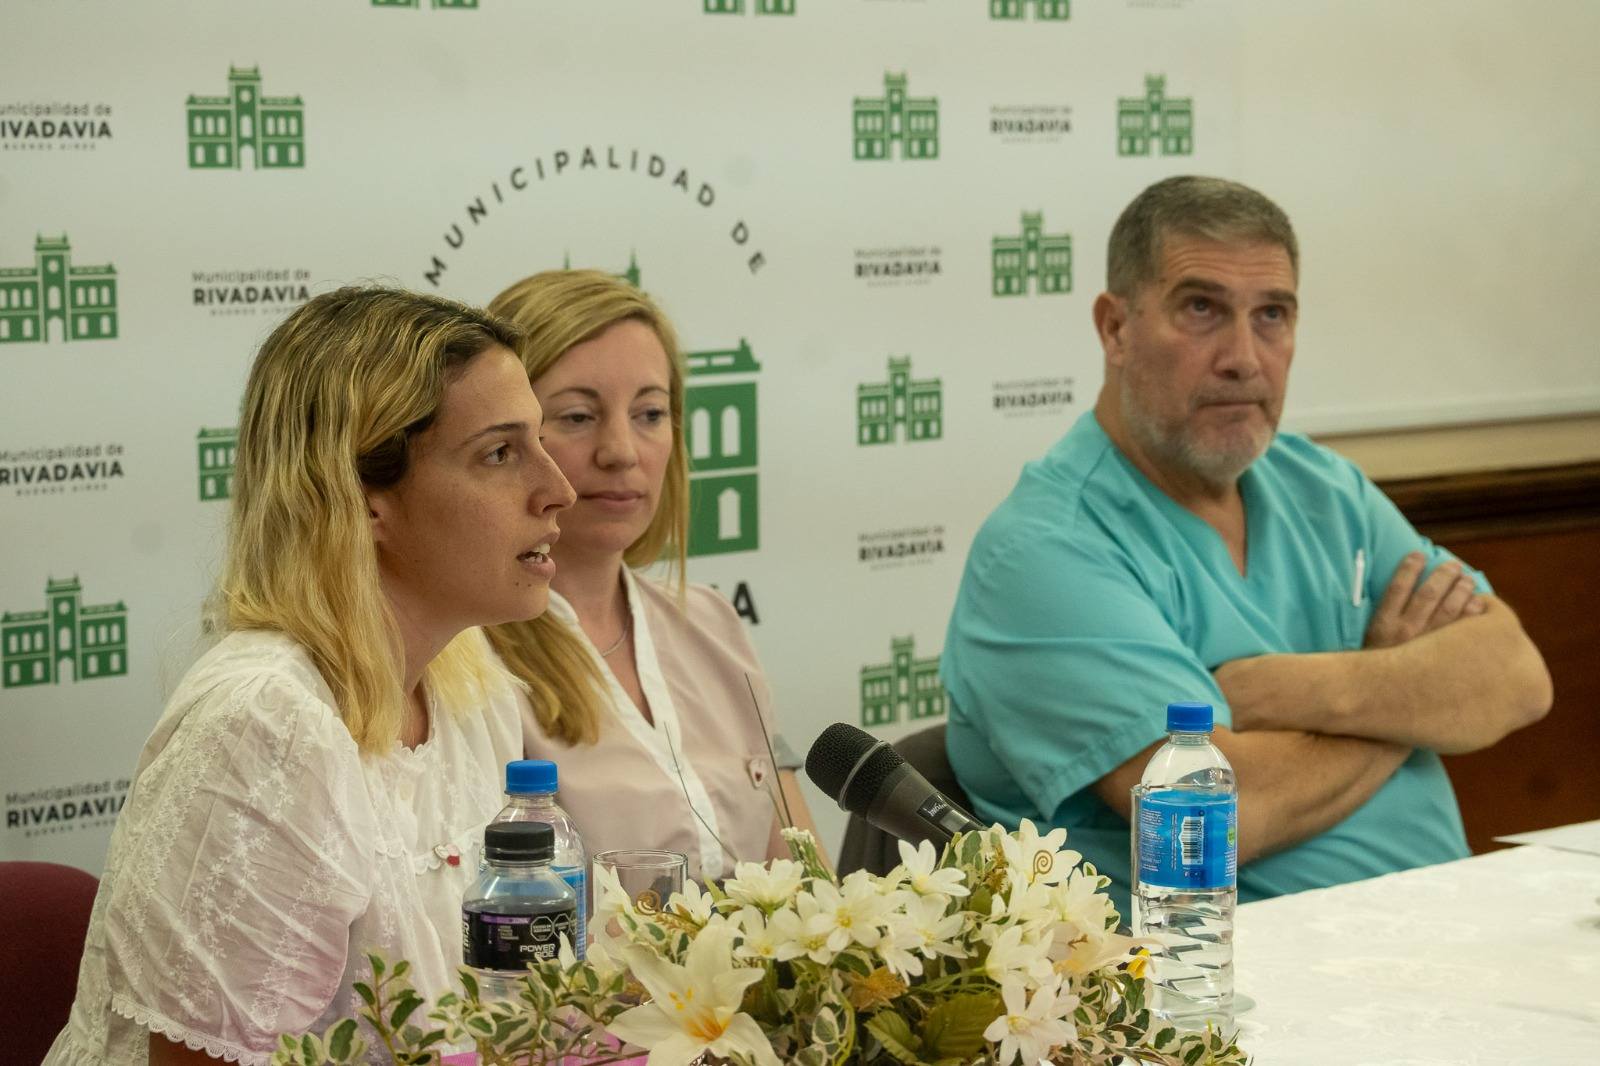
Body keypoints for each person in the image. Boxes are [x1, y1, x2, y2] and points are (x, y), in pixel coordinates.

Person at [941, 176, 1552, 913]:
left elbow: (1516, 679)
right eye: (1201, 308)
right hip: (1221, 973)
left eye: (1272, 315)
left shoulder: (1322, 486)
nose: (1244, 358)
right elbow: (1215, 821)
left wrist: (1279, 689)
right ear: (1116, 328)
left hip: (1452, 929)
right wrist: (1407, 698)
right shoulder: (1043, 551)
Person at [45, 287, 575, 1066]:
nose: (559, 489)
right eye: (499, 454)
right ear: (363, 498)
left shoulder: (471, 686)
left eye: (540, 441)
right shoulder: (264, 724)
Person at [484, 269, 823, 882]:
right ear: (503, 441)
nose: (621, 450)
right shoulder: (468, 656)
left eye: (649, 413)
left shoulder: (712, 624)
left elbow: (809, 884)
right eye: (578, 417)